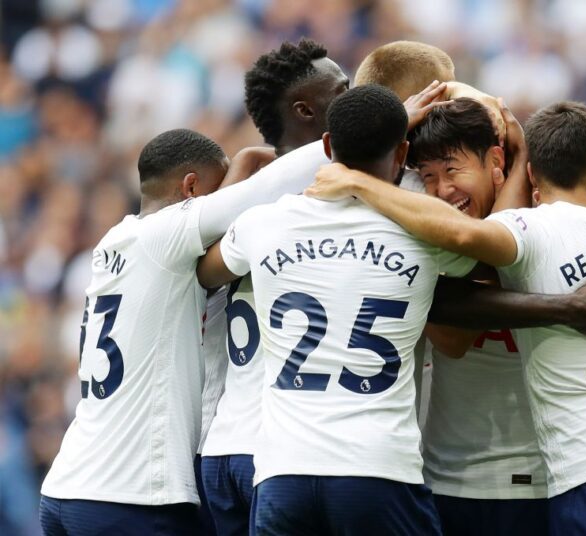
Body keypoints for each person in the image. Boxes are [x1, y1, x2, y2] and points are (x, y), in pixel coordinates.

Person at [306, 100, 586, 535]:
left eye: (452, 171)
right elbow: (458, 332)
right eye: (428, 177)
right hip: (462, 482)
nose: (441, 191)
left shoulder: (530, 234)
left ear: (502, 163)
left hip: (560, 480)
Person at [38, 126, 346, 536]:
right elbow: (264, 189)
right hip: (129, 499)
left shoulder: (116, 240)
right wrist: (372, 126)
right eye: (217, 191)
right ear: (189, 188)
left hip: (67, 487)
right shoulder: (165, 236)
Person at [197, 84, 474, 534]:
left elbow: (206, 272)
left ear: (327, 146)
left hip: (283, 472)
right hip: (378, 469)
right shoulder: (428, 232)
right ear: (403, 152)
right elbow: (486, 253)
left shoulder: (264, 224)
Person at [244, 38, 350, 157]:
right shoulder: (349, 170)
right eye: (343, 90)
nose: (354, 97)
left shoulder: (261, 172)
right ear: (305, 111)